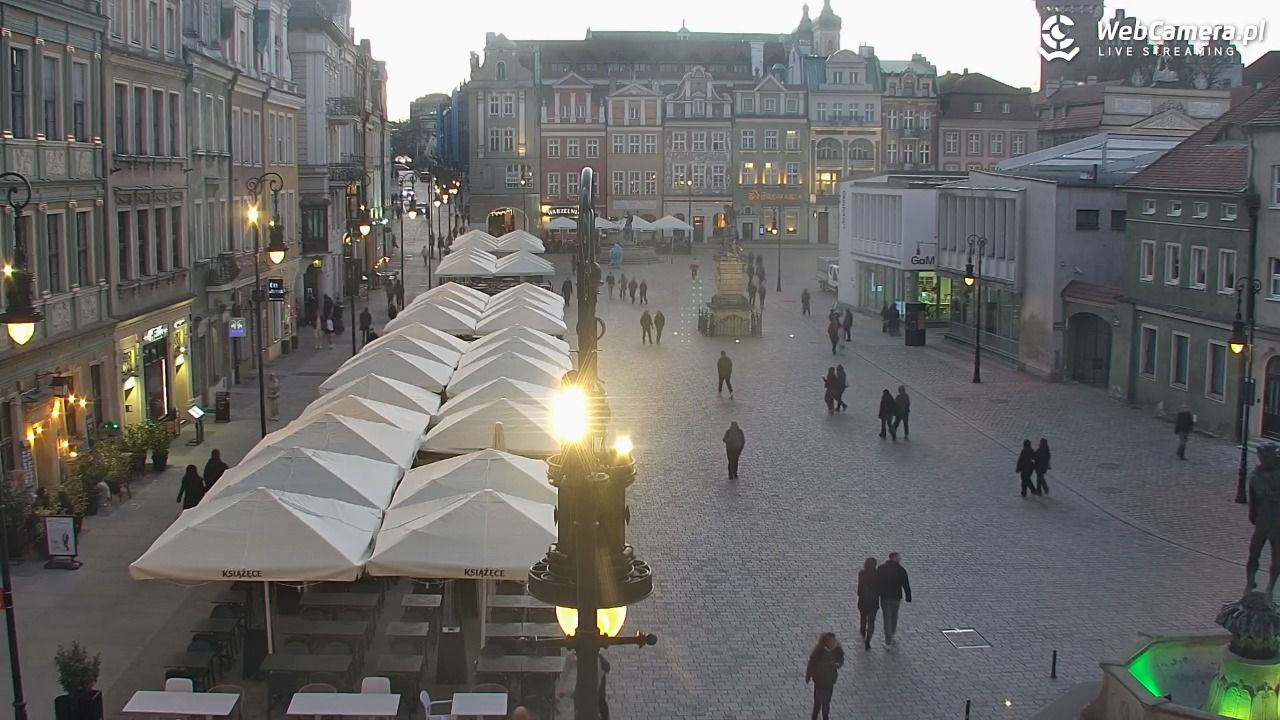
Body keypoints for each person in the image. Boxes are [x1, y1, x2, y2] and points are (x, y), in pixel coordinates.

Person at [804, 632, 845, 720]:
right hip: (819, 680)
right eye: (830, 641)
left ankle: (825, 716)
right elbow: (812, 663)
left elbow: (841, 660)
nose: (832, 643)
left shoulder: (837, 650)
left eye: (833, 641)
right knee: (818, 702)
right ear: (825, 642)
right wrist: (808, 675)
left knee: (826, 701)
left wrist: (837, 664)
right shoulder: (819, 651)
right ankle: (815, 716)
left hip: (830, 680)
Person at [876, 552, 911, 646]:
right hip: (896, 597)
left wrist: (876, 593)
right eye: (899, 557)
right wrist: (908, 596)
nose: (900, 559)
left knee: (887, 618)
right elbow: (906, 584)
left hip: (885, 597)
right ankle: (892, 633)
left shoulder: (882, 568)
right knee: (894, 616)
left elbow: (877, 582)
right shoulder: (901, 570)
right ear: (894, 558)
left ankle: (888, 641)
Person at [857, 557, 880, 650]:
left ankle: (862, 630)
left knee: (863, 617)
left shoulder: (861, 573)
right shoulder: (877, 574)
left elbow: (859, 587)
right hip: (873, 601)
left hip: (863, 600)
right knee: (871, 621)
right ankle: (868, 639)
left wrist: (859, 593)